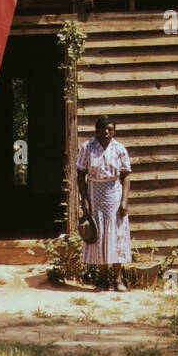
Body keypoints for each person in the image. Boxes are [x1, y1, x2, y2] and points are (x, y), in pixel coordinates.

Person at [76, 115, 131, 290]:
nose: (107, 132)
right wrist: (84, 199)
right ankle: (102, 280)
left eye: (110, 129)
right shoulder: (88, 147)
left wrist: (124, 201)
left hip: (114, 195)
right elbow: (80, 175)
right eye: (103, 129)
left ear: (114, 130)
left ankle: (118, 280)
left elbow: (126, 175)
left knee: (116, 235)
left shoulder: (119, 148)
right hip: (95, 196)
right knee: (99, 236)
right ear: (97, 130)